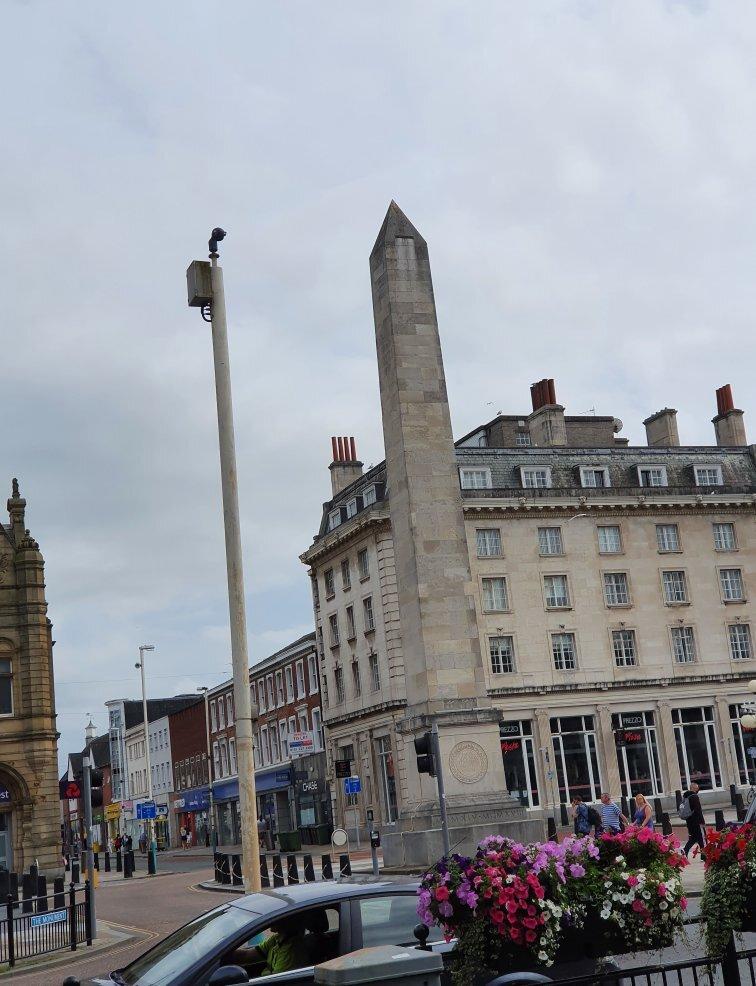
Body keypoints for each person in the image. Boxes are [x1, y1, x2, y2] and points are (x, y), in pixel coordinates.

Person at [682, 782, 706, 858]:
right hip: (697, 822)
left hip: (689, 822)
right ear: (694, 788)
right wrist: (702, 822)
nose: (698, 790)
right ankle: (704, 855)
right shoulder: (694, 797)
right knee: (702, 838)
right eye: (697, 788)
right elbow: (698, 811)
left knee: (693, 838)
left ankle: (685, 850)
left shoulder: (685, 797)